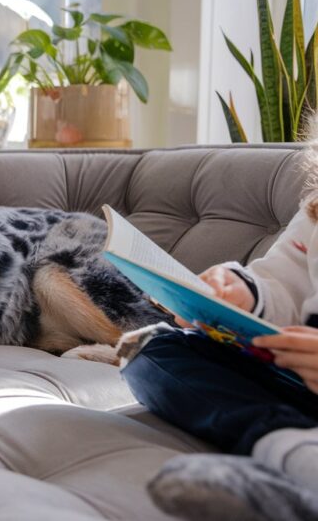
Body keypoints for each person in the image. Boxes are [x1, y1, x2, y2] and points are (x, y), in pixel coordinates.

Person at [121, 140, 318, 521]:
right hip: (300, 382)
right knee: (153, 349)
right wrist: (238, 289)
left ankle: (291, 460)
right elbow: (280, 281)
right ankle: (295, 448)